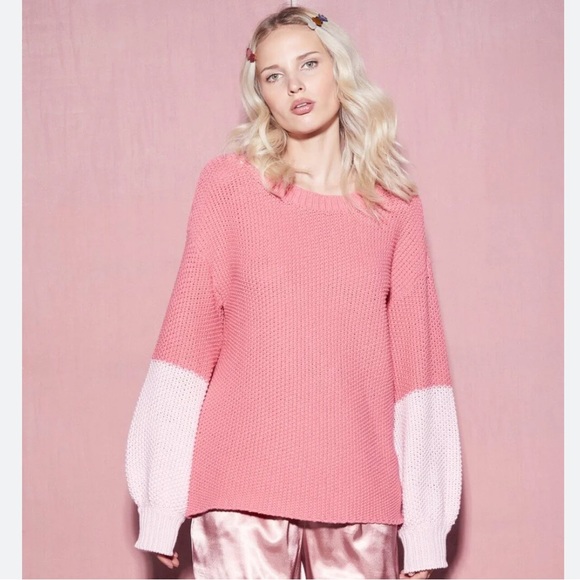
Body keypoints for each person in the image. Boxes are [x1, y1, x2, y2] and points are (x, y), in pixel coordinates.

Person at [125, 5, 462, 579]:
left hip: (360, 495)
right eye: (273, 75)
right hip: (238, 491)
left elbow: (419, 364)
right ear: (261, 94)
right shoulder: (229, 186)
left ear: (340, 69)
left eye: (309, 64)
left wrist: (426, 529)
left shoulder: (395, 207)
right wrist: (160, 503)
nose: (295, 86)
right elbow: (187, 337)